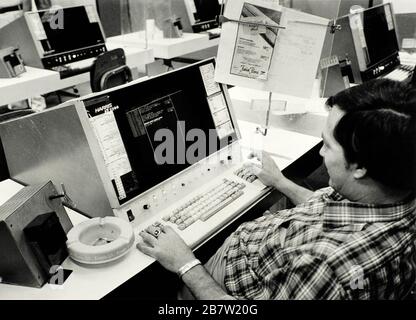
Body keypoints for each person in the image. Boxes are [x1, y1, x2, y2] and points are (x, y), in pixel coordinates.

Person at [137, 79, 416, 300]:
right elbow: (333, 209)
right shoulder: (391, 194)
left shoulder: (325, 268)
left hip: (224, 284)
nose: (320, 152)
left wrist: (185, 263)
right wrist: (280, 182)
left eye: (328, 145)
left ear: (361, 167)